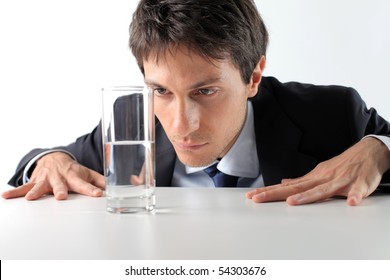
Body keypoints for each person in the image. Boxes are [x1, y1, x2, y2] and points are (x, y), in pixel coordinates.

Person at [3, 0, 390, 205]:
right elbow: (56, 160)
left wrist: (380, 149)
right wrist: (51, 161)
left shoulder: (332, 113)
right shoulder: (132, 118)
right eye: (162, 91)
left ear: (253, 77)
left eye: (205, 91)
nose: (180, 125)